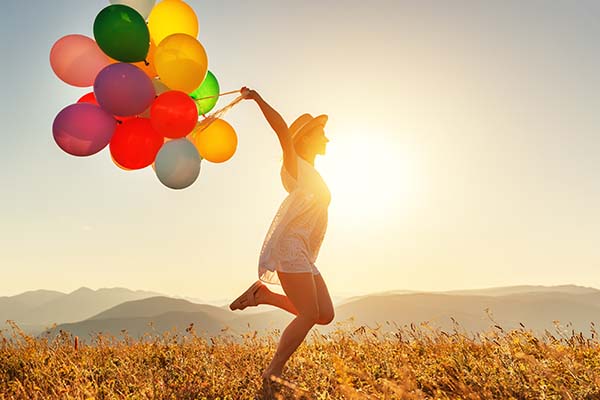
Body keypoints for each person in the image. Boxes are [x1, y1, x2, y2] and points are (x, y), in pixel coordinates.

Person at [229, 87, 335, 386]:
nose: (327, 138)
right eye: (321, 133)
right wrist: (258, 100)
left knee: (323, 314)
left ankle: (263, 295)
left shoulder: (313, 171)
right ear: (305, 138)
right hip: (290, 249)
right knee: (308, 314)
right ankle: (272, 371)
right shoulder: (295, 166)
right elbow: (281, 130)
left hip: (303, 252)